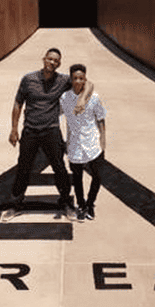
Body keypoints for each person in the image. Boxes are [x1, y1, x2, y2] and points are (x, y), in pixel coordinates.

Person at [2, 48, 93, 221]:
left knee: (59, 167)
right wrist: (13, 129)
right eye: (50, 59)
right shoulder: (28, 79)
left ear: (59, 64)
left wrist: (81, 99)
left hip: (51, 130)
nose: (52, 62)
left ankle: (66, 202)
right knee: (23, 167)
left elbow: (87, 84)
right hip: (30, 130)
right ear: (44, 59)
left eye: (56, 61)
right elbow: (18, 103)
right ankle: (16, 204)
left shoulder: (63, 80)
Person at [59, 64, 106, 221]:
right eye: (75, 78)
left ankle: (91, 204)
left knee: (97, 176)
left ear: (85, 79)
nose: (78, 81)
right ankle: (81, 204)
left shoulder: (94, 97)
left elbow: (100, 118)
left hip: (93, 142)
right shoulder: (65, 98)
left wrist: (103, 140)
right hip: (74, 144)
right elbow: (62, 117)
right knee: (77, 178)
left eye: (81, 78)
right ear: (71, 80)